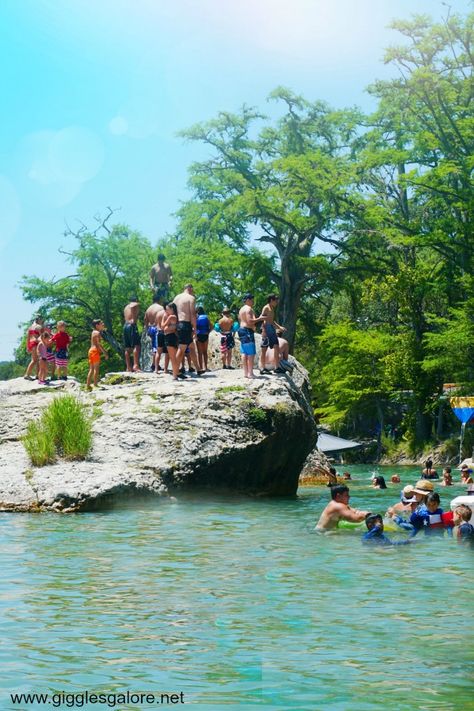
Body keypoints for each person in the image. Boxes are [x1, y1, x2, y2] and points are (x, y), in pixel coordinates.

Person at [173, 284, 202, 375]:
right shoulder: (191, 298)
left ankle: (198, 369)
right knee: (181, 349)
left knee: (192, 347)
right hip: (185, 325)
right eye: (192, 289)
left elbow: (171, 311)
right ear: (190, 288)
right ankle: (175, 372)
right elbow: (193, 314)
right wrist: (195, 329)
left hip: (178, 324)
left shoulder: (176, 298)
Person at [238, 293, 265, 379]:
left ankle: (246, 373)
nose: (253, 301)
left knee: (244, 352)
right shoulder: (249, 309)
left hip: (241, 330)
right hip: (247, 331)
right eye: (252, 299)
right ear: (248, 300)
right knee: (250, 353)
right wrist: (260, 318)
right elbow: (250, 321)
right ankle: (250, 373)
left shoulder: (241, 309)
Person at [259, 294, 286, 375]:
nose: (277, 302)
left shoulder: (272, 308)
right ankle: (262, 368)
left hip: (271, 328)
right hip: (266, 329)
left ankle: (276, 368)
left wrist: (279, 327)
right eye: (276, 300)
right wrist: (264, 331)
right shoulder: (266, 307)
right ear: (271, 300)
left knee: (276, 347)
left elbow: (271, 320)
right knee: (264, 349)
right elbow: (262, 318)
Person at [162, 302, 183, 381]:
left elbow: (163, 326)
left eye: (167, 309)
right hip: (173, 336)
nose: (166, 311)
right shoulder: (176, 316)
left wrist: (165, 318)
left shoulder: (171, 316)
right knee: (173, 357)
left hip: (170, 337)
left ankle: (175, 375)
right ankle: (176, 373)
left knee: (172, 357)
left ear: (172, 309)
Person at [144, 296, 164, 373]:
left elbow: (145, 319)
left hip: (150, 328)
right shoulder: (160, 308)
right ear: (159, 299)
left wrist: (147, 329)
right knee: (157, 348)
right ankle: (155, 365)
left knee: (154, 347)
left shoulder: (149, 309)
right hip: (157, 328)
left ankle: (154, 364)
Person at [86, 320, 108, 389]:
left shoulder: (93, 332)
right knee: (96, 369)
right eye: (101, 324)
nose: (103, 324)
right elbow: (98, 344)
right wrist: (105, 353)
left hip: (90, 351)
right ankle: (95, 384)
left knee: (91, 369)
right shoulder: (97, 333)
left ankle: (88, 385)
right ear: (97, 325)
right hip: (95, 351)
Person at [24, 314, 44, 380]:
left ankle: (37, 375)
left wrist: (27, 347)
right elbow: (42, 337)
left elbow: (28, 338)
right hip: (36, 344)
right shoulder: (39, 327)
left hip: (31, 343)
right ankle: (27, 374)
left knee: (37, 360)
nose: (42, 321)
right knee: (34, 360)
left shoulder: (30, 327)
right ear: (38, 319)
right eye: (41, 319)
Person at [123, 297, 141, 372]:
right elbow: (133, 306)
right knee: (137, 345)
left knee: (128, 348)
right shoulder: (134, 304)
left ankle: (128, 367)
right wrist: (134, 320)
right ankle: (135, 365)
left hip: (125, 326)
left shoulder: (126, 307)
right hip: (132, 326)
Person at [195, 306, 211, 372]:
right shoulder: (206, 317)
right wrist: (208, 332)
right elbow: (212, 326)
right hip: (205, 335)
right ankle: (206, 367)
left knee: (199, 353)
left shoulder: (196, 317)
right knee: (205, 352)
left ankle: (201, 367)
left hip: (198, 335)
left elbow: (194, 326)